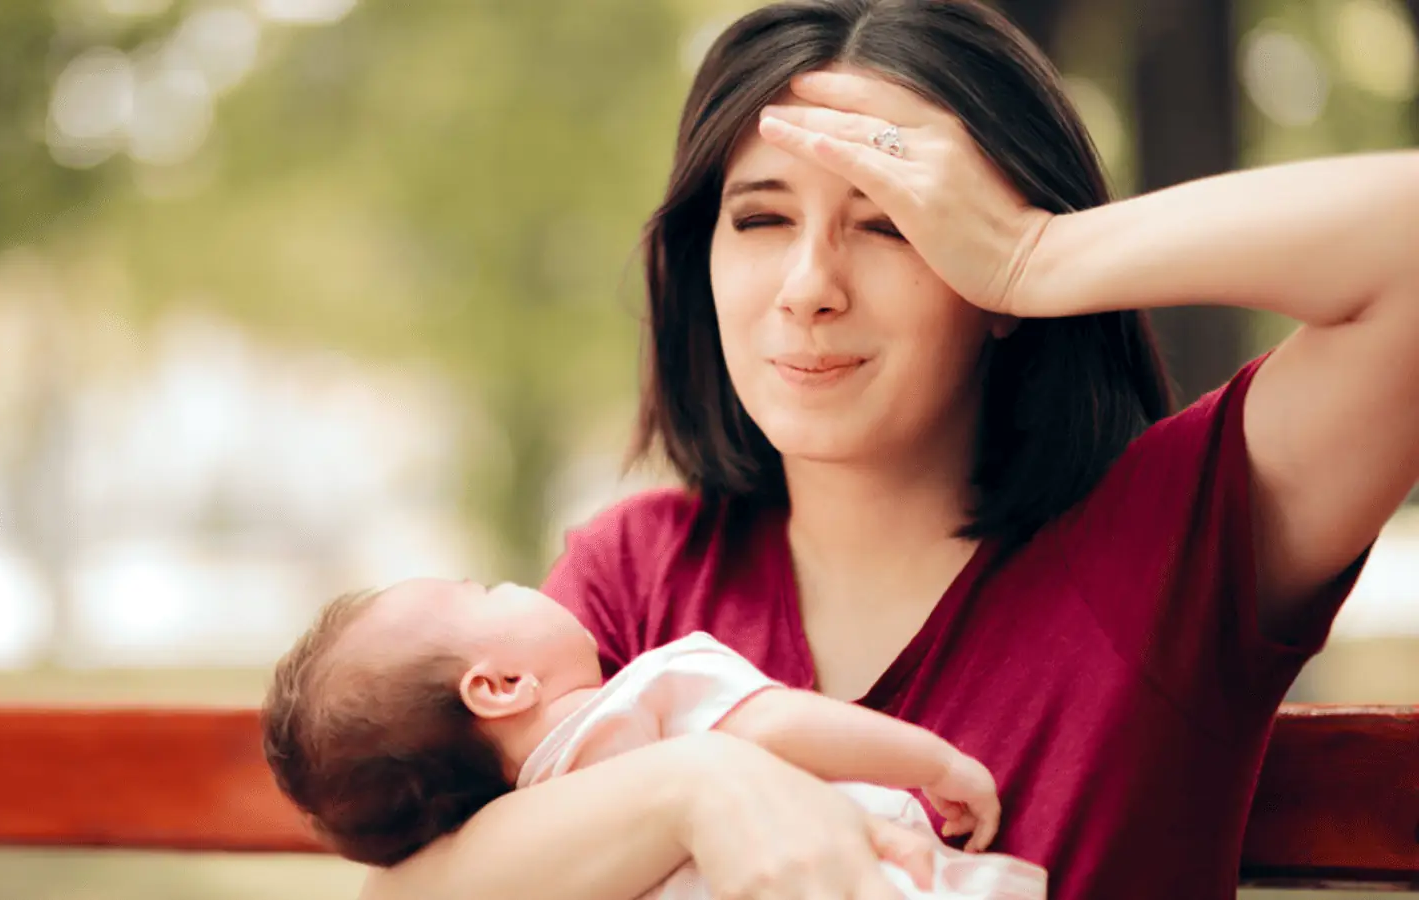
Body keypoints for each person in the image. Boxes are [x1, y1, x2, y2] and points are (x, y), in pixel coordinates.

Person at [358, 0, 1419, 898]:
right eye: (761, 219)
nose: (808, 287)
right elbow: (417, 885)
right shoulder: (639, 577)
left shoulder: (1171, 537)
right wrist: (702, 786)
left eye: (890, 226)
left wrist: (1037, 253)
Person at [261, 578, 1048, 899]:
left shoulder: (542, 832)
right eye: (486, 589)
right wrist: (933, 759)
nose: (519, 581)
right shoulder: (649, 692)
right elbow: (776, 724)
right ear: (499, 686)